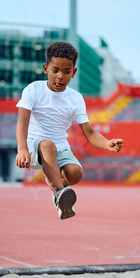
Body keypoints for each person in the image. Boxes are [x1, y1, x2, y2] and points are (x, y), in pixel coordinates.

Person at [15, 41, 124, 220]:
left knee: (75, 173)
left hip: (61, 148)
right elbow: (22, 121)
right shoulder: (33, 89)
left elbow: (90, 133)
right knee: (48, 146)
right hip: (33, 146)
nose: (60, 77)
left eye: (66, 72)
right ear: (45, 69)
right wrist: (22, 149)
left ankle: (57, 189)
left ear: (73, 73)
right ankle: (59, 192)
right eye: (55, 70)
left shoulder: (76, 99)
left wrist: (107, 143)